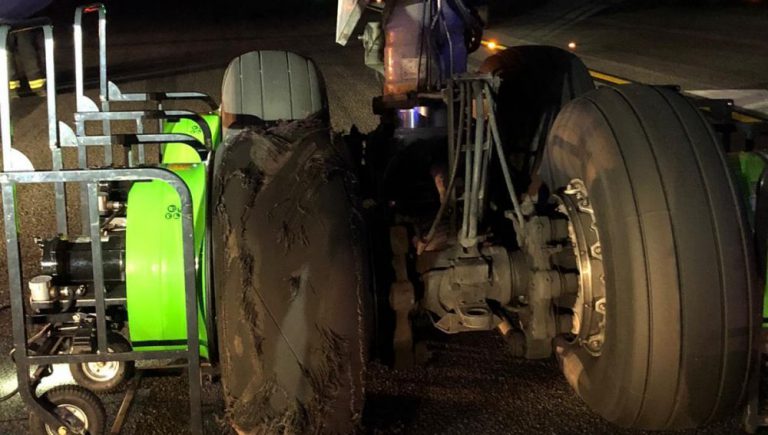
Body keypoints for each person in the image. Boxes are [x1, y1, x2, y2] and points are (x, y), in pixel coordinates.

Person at [0, 0, 52, 93]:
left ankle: (12, 89)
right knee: (24, 48)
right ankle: (37, 86)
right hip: (21, 14)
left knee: (9, 50)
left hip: (16, 15)